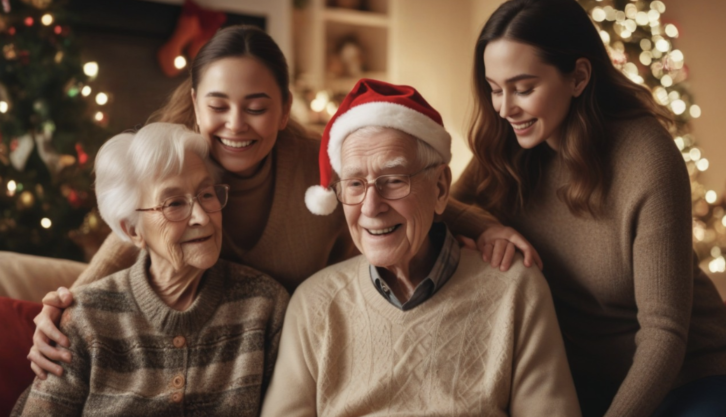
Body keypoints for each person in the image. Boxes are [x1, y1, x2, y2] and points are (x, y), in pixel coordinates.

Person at [27, 25, 541, 380]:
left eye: (256, 107)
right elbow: (135, 229)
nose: (235, 125)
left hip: (304, 339)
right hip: (209, 345)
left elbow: (397, 184)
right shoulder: (178, 159)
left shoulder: (320, 157)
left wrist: (486, 226)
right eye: (218, 105)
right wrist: (66, 304)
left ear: (283, 109)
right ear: (196, 100)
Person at [453, 0, 726, 417]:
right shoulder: (509, 145)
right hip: (591, 384)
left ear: (579, 77)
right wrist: (487, 226)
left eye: (522, 88)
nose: (504, 109)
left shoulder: (645, 156)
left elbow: (664, 334)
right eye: (493, 89)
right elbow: (439, 206)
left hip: (695, 377)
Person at [261, 79, 580, 417]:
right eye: (355, 184)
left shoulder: (515, 288)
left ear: (441, 188)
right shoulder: (314, 304)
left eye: (394, 180)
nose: (370, 207)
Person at [13, 123, 289, 416]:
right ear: (133, 230)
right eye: (174, 203)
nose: (201, 217)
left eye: (206, 194)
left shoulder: (263, 305)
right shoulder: (85, 318)